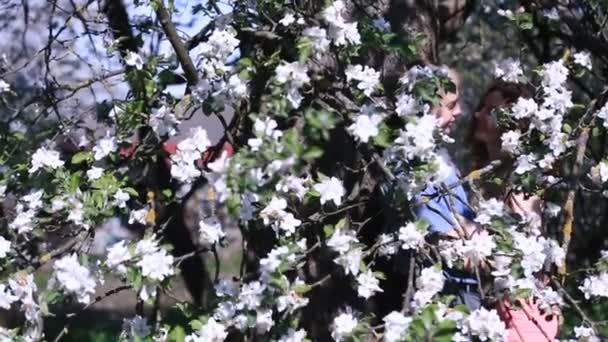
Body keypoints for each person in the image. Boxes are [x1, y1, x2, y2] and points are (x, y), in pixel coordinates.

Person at [467, 80, 559, 342]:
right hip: (492, 307)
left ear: (511, 123)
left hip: (522, 312)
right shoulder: (483, 175)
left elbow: (518, 247)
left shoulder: (524, 184)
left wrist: (465, 231)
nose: (477, 115)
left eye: (488, 111)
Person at [412, 64, 485, 311]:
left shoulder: (439, 158)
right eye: (452, 105)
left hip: (466, 293)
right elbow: (449, 244)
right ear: (426, 109)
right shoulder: (415, 169)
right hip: (448, 299)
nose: (461, 111)